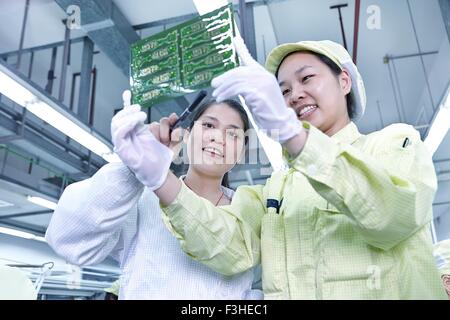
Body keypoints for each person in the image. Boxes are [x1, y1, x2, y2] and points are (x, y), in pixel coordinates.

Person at [135, 36, 446, 299]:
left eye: (307, 78)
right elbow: (230, 248)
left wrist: (294, 136)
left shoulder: (394, 144)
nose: (295, 94)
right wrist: (162, 180)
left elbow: (392, 213)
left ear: (344, 80)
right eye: (283, 91)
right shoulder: (275, 190)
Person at [45, 95, 263, 300]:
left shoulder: (251, 214)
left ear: (242, 152)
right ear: (186, 134)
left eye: (233, 134)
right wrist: (133, 170)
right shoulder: (143, 201)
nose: (218, 137)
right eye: (208, 125)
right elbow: (70, 241)